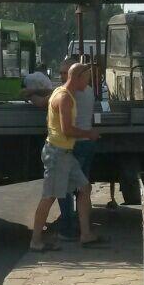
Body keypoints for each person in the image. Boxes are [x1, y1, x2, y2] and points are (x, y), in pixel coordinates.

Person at [30, 62, 105, 252]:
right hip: (58, 154)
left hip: (65, 154)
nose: (88, 82)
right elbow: (67, 130)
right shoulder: (65, 97)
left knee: (85, 188)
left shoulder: (63, 92)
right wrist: (89, 134)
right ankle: (36, 241)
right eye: (86, 78)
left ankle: (86, 234)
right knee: (49, 197)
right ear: (77, 78)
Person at [55, 59, 98, 240]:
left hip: (74, 144)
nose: (62, 77)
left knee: (64, 188)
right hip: (87, 144)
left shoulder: (69, 94)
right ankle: (84, 227)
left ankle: (67, 227)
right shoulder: (88, 91)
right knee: (83, 187)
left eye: (66, 73)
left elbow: (47, 100)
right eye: (61, 73)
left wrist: (31, 94)